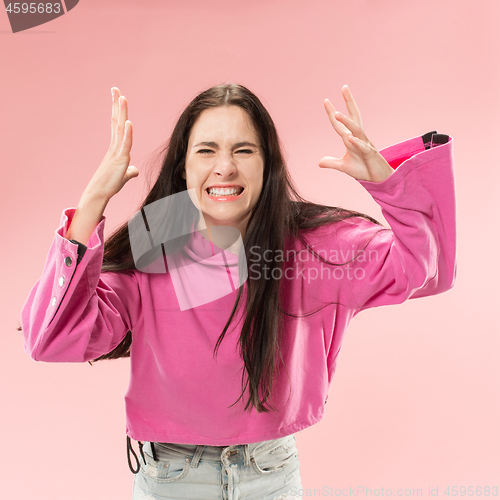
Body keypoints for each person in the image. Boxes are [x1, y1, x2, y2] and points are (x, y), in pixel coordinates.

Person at [19, 83, 456, 500]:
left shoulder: (310, 245)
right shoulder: (155, 241)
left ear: (268, 164)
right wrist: (94, 199)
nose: (224, 166)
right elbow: (49, 337)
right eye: (206, 150)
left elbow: (423, 266)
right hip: (173, 477)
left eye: (243, 151)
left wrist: (387, 183)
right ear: (183, 167)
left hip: (271, 474)